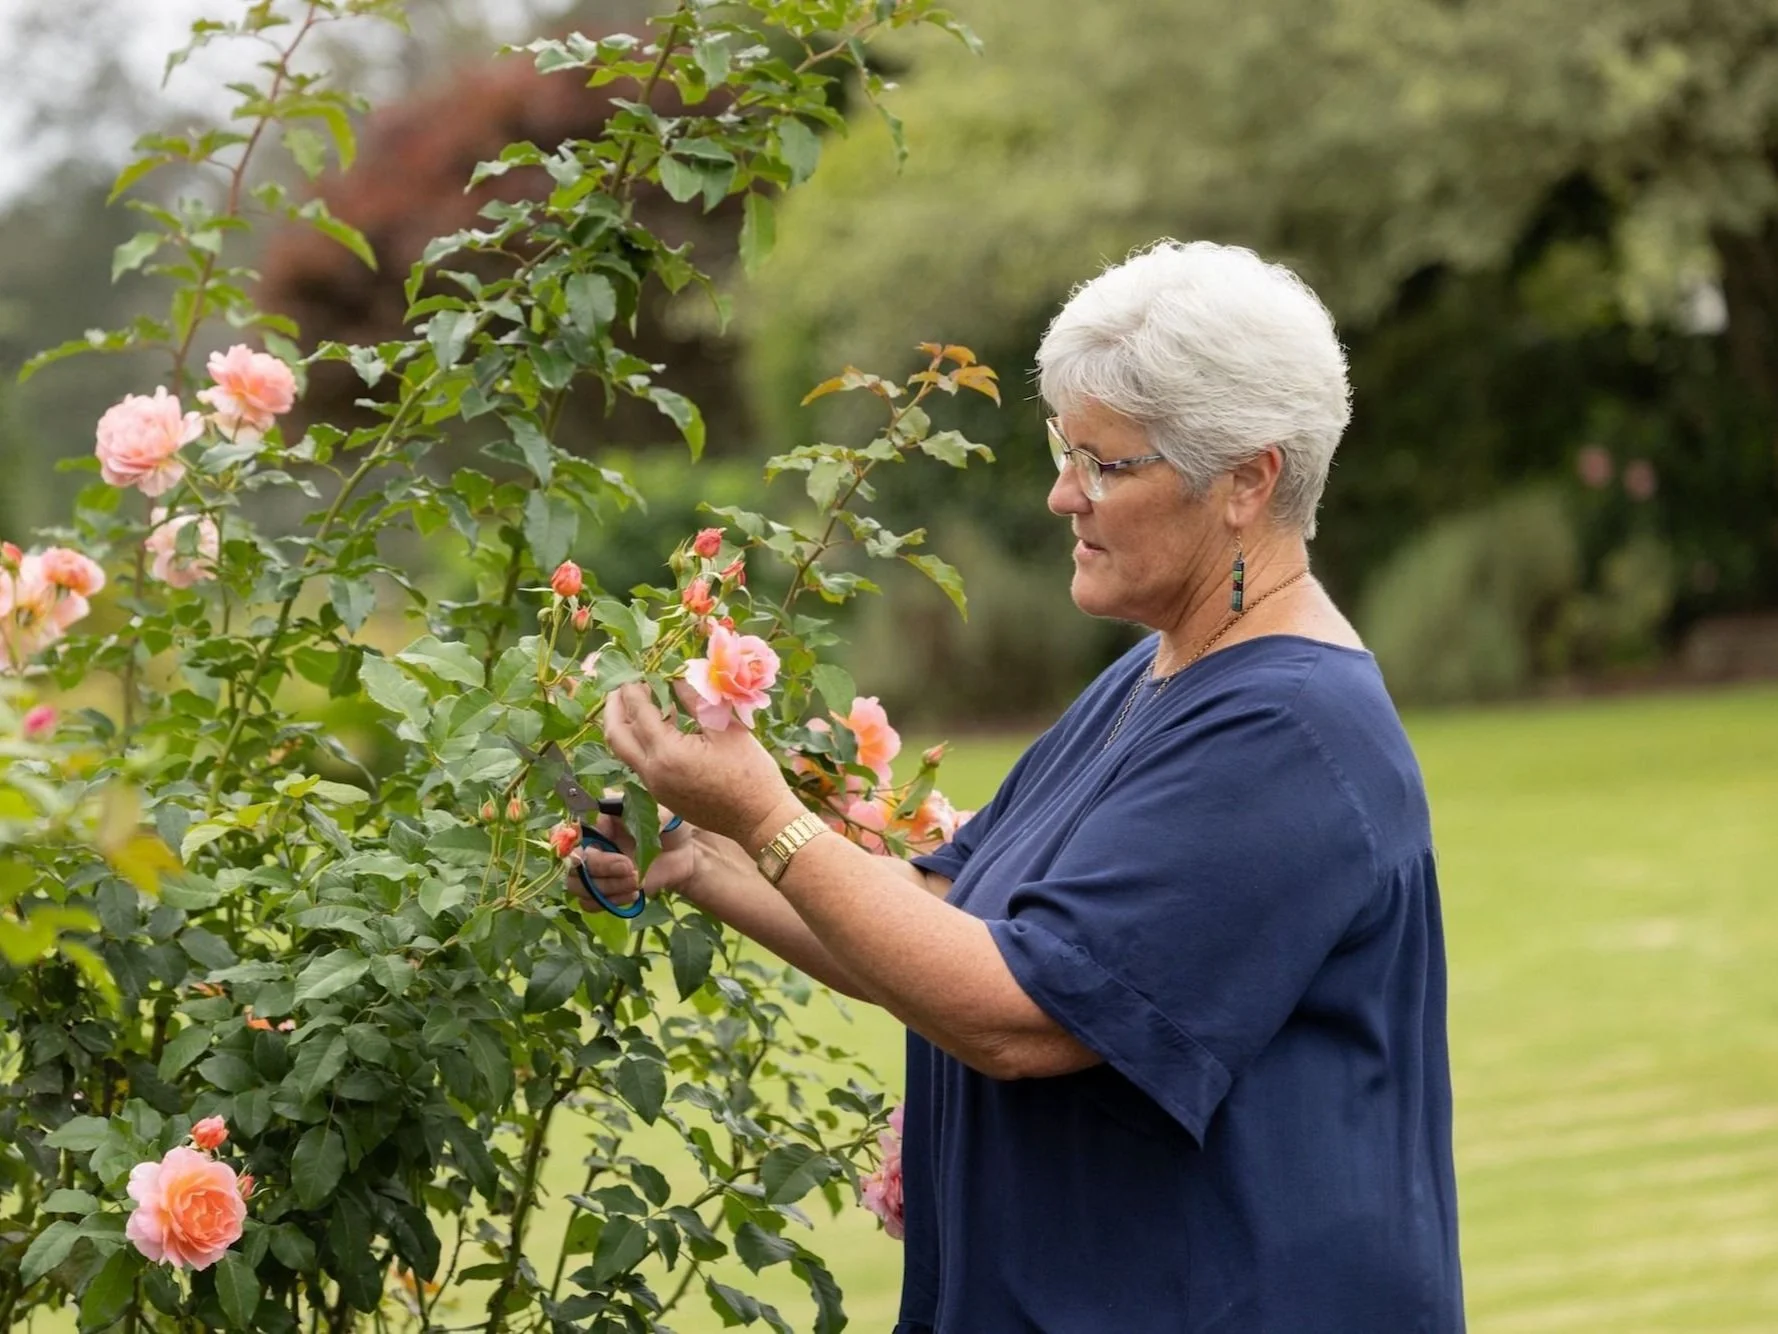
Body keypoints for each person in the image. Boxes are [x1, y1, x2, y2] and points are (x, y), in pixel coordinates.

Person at [576, 240, 1465, 1332]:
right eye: (1064, 448)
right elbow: (941, 917)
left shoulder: (1287, 729)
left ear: (1246, 479)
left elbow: (1018, 1013)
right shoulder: (1157, 674)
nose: (1061, 495)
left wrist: (765, 813)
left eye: (1106, 464)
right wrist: (700, 857)